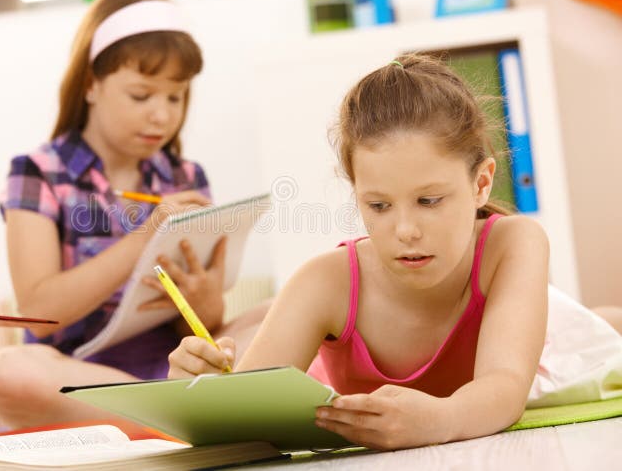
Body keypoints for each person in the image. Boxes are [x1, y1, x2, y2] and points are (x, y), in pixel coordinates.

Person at [167, 54, 622, 450]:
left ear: (481, 183)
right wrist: (195, 391)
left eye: (429, 201)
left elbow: (503, 389)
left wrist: (439, 420)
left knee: (602, 328)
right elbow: (238, 418)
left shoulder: (515, 242)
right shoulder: (325, 282)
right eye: (378, 206)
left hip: (541, 349)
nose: (405, 230)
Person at [0, 0, 269, 428]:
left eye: (175, 97)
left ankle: (166, 415)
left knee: (282, 312)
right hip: (79, 381)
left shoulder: (185, 178)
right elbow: (38, 316)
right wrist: (143, 239)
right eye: (141, 96)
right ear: (91, 85)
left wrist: (205, 302)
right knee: (9, 372)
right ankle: (177, 416)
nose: (161, 115)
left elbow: (203, 326)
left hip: (174, 368)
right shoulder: (38, 173)